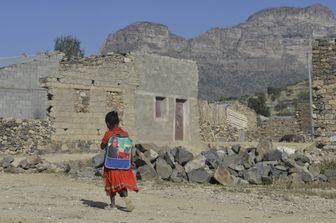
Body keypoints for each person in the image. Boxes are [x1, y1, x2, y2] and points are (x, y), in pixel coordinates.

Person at [101, 111, 138, 211]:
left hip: (111, 164)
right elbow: (128, 149)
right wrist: (131, 162)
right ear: (118, 122)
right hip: (124, 164)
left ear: (108, 123)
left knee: (111, 183)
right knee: (121, 183)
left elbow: (102, 146)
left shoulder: (108, 134)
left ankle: (113, 205)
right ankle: (126, 198)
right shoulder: (125, 134)